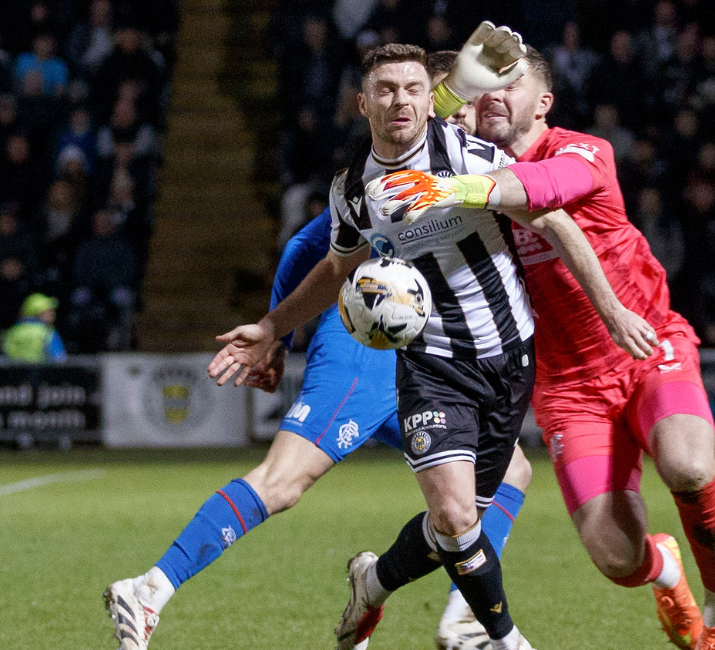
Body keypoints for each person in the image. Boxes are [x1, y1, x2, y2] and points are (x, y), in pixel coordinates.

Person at [102, 34, 555, 650]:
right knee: (283, 480)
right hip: (368, 347)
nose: (479, 119)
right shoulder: (376, 182)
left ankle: (435, 603)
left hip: (436, 354)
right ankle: (151, 587)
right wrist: (274, 334)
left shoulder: (453, 160)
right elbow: (309, 251)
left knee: (509, 476)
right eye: (467, 107)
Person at [205, 37, 653, 650]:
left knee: (455, 528)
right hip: (431, 366)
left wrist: (612, 311)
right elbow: (336, 269)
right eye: (386, 90)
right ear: (361, 103)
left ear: (430, 98)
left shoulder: (472, 157)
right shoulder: (354, 194)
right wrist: (271, 327)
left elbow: (555, 220)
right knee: (454, 516)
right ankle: (506, 639)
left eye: (413, 89)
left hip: (508, 359)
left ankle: (374, 582)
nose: (401, 102)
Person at [371, 47, 715, 650]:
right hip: (567, 385)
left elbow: (546, 187)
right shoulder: (465, 162)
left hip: (644, 345)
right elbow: (406, 135)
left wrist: (455, 186)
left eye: (509, 84)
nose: (492, 95)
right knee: (618, 560)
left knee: (688, 465)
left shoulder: (581, 151)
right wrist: (449, 92)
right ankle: (665, 569)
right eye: (483, 86)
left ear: (543, 103)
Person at [0, 293, 65, 362]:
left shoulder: (10, 333)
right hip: (42, 372)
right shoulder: (48, 333)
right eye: (48, 311)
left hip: (14, 373)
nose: (53, 314)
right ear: (37, 312)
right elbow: (59, 360)